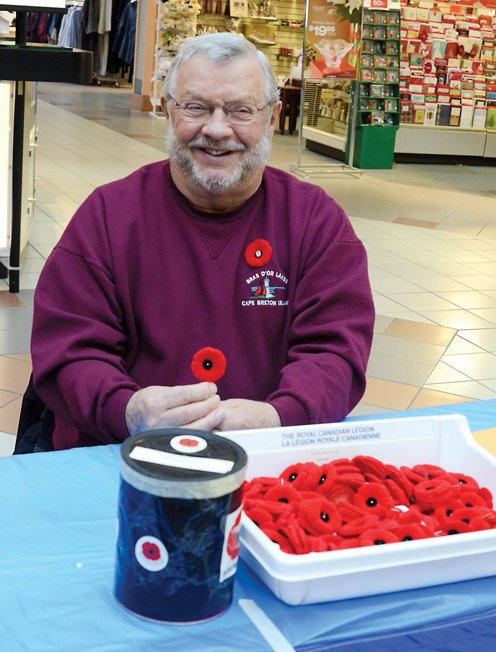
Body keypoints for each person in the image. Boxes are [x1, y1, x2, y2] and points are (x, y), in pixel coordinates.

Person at [30, 32, 375, 450]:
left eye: (240, 111)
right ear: (166, 109)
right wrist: (127, 410)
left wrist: (280, 417)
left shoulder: (317, 224)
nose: (216, 129)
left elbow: (335, 353)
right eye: (195, 107)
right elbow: (68, 350)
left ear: (271, 118)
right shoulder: (106, 217)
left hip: (264, 466)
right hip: (115, 457)